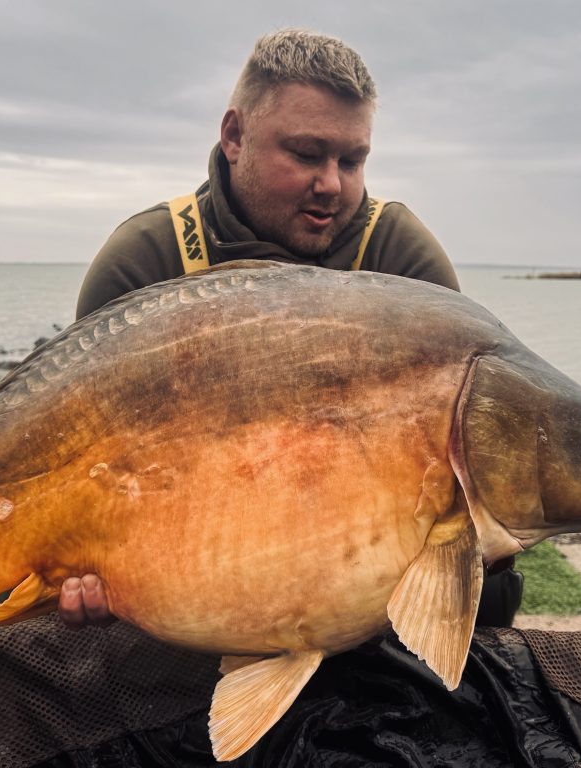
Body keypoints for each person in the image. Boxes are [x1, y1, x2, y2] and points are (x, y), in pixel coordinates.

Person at [57, 28, 521, 630]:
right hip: (184, 582)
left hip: (357, 593)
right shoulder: (145, 260)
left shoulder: (401, 260)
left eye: (352, 161)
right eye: (306, 154)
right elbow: (85, 468)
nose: (332, 184)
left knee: (490, 600)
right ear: (234, 136)